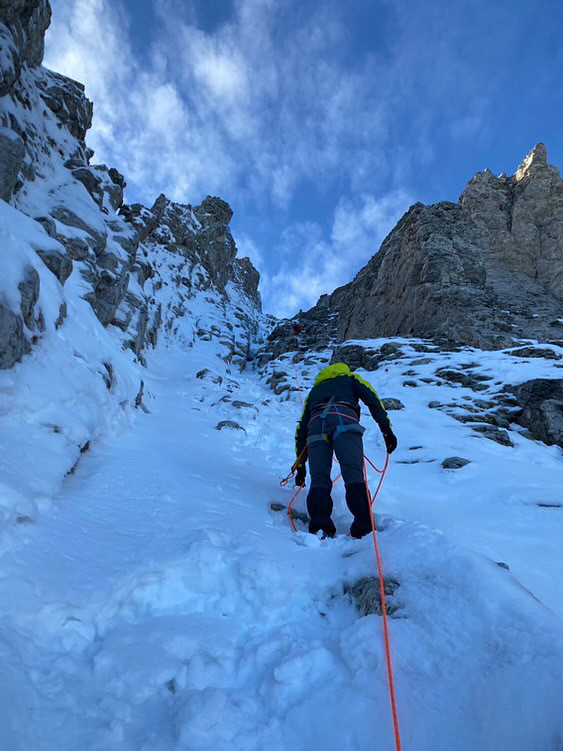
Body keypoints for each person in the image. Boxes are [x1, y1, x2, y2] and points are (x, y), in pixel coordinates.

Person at [294, 363, 397, 538]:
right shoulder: (350, 379)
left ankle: (320, 526)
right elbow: (372, 399)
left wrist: (300, 467)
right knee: (353, 473)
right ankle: (363, 527)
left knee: (319, 477)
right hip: (344, 420)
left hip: (317, 425)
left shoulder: (315, 391)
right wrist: (386, 429)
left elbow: (302, 430)